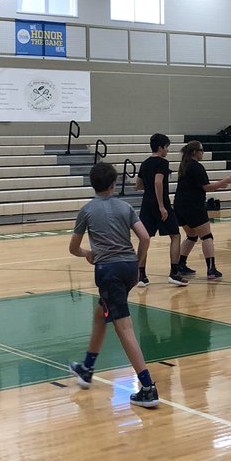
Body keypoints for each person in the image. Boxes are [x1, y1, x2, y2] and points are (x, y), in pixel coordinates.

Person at [67, 162, 159, 408]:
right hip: (129, 269)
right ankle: (87, 368)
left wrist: (88, 253)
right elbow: (145, 237)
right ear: (113, 184)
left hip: (109, 271)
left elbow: (73, 248)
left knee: (123, 327)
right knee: (101, 314)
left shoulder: (87, 210)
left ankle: (147, 387)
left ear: (93, 184)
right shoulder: (125, 207)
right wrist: (138, 263)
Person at [172, 140, 231, 281]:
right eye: (201, 150)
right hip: (193, 206)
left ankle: (180, 265)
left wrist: (219, 185)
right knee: (207, 236)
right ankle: (211, 269)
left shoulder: (185, 165)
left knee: (192, 235)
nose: (203, 153)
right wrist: (224, 181)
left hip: (179, 206)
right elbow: (206, 187)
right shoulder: (196, 166)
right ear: (195, 152)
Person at [134, 133, 188, 287]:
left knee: (145, 238)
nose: (167, 151)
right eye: (166, 147)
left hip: (146, 204)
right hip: (160, 204)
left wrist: (149, 188)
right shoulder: (162, 163)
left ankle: (141, 275)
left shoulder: (145, 163)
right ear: (160, 148)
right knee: (175, 235)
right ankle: (174, 273)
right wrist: (161, 206)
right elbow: (158, 182)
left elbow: (138, 185)